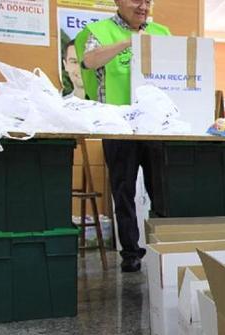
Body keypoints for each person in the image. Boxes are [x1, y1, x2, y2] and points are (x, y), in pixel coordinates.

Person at [75, 0, 170, 272]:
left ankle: (162, 248)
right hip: (118, 127)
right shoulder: (99, 31)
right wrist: (131, 42)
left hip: (155, 127)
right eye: (136, 0)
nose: (143, 6)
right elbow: (89, 61)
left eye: (148, 1)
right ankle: (130, 253)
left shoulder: (161, 32)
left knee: (162, 192)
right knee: (123, 191)